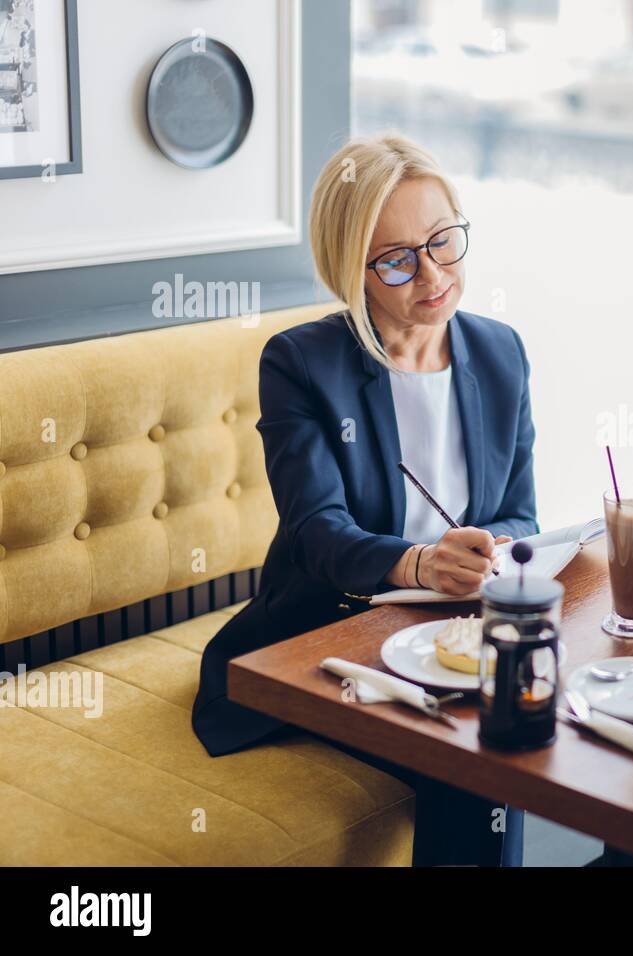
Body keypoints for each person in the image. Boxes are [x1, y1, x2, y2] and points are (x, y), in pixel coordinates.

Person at [192, 134, 538, 866]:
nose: (432, 273)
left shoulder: (501, 352)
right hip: (325, 640)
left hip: (452, 640)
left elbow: (519, 516)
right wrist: (420, 564)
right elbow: (319, 535)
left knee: (539, 721)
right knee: (472, 756)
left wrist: (490, 552)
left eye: (443, 240)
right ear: (352, 271)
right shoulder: (302, 363)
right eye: (396, 259)